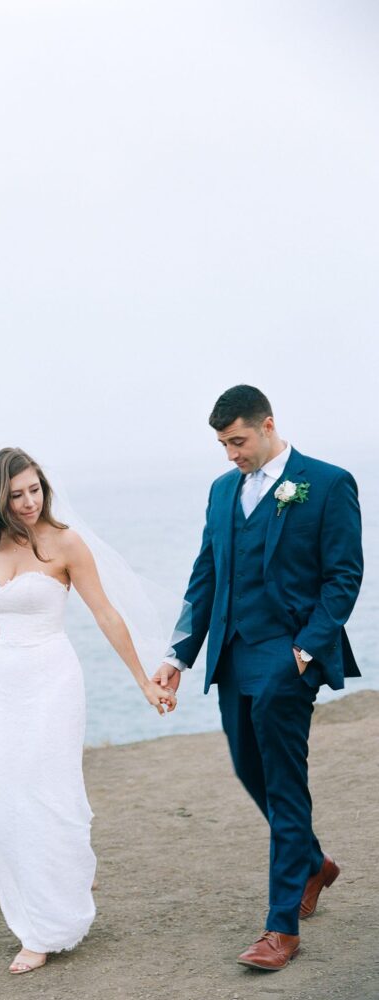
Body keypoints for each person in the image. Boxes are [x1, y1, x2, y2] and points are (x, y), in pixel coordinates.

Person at [155, 385, 363, 970]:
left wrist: (305, 650)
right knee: (251, 769)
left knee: (284, 781)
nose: (230, 455)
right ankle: (313, 863)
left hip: (288, 656)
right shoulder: (222, 492)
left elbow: (344, 576)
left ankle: (281, 929)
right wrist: (177, 655)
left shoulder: (326, 483)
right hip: (231, 655)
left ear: (268, 425)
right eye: (222, 444)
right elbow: (205, 578)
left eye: (238, 441)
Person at [0, 447, 177, 975]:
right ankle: (60, 880)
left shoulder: (66, 543)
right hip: (7, 685)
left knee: (49, 792)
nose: (28, 502)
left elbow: (106, 614)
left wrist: (142, 680)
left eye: (34, 489)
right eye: (16, 495)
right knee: (6, 799)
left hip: (54, 679)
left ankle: (43, 930)